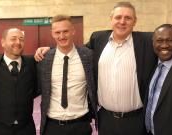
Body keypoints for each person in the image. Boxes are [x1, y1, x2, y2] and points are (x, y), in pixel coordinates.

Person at [34, 2, 157, 135]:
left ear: (135, 21)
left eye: (128, 18)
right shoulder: (98, 39)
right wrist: (50, 50)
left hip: (135, 120)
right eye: (118, 17)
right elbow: (70, 49)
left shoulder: (147, 40)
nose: (122, 22)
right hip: (105, 120)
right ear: (111, 20)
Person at [37, 14, 97, 135]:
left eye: (65, 31)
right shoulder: (44, 58)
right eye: (57, 32)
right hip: (52, 126)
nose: (62, 36)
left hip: (80, 125)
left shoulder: (88, 56)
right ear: (52, 33)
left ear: (73, 31)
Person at [0, 28, 38, 135]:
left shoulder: (32, 62)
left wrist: (47, 48)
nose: (18, 42)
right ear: (3, 42)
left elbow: (38, 88)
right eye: (13, 39)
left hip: (26, 128)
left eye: (21, 39)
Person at [145, 24, 172, 135]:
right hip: (150, 131)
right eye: (159, 40)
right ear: (153, 42)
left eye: (170, 40)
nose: (164, 45)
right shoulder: (152, 63)